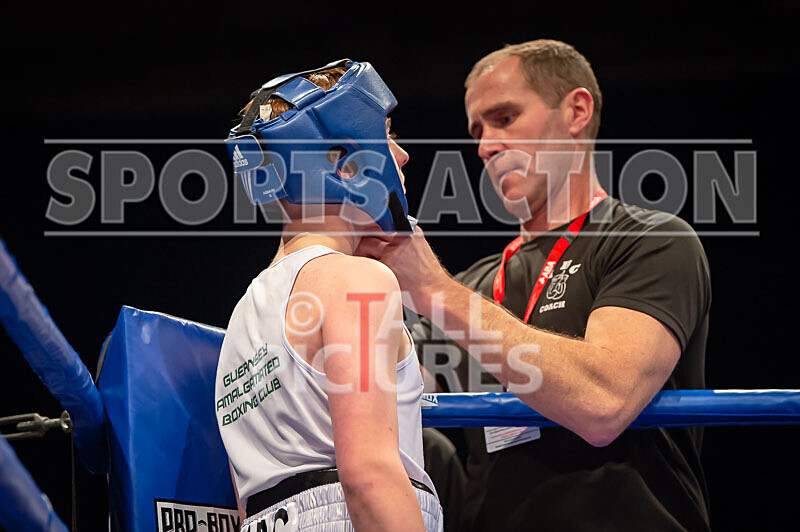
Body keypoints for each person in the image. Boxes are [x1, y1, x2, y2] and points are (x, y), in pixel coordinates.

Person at [358, 40, 711, 530]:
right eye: (478, 130)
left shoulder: (649, 241)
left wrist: (435, 291)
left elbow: (603, 402)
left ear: (576, 111)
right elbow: (383, 401)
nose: (485, 145)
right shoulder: (474, 284)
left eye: (504, 118)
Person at [214, 61, 443, 531]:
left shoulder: (241, 316)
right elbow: (370, 475)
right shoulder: (355, 281)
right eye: (386, 134)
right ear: (342, 161)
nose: (402, 156)